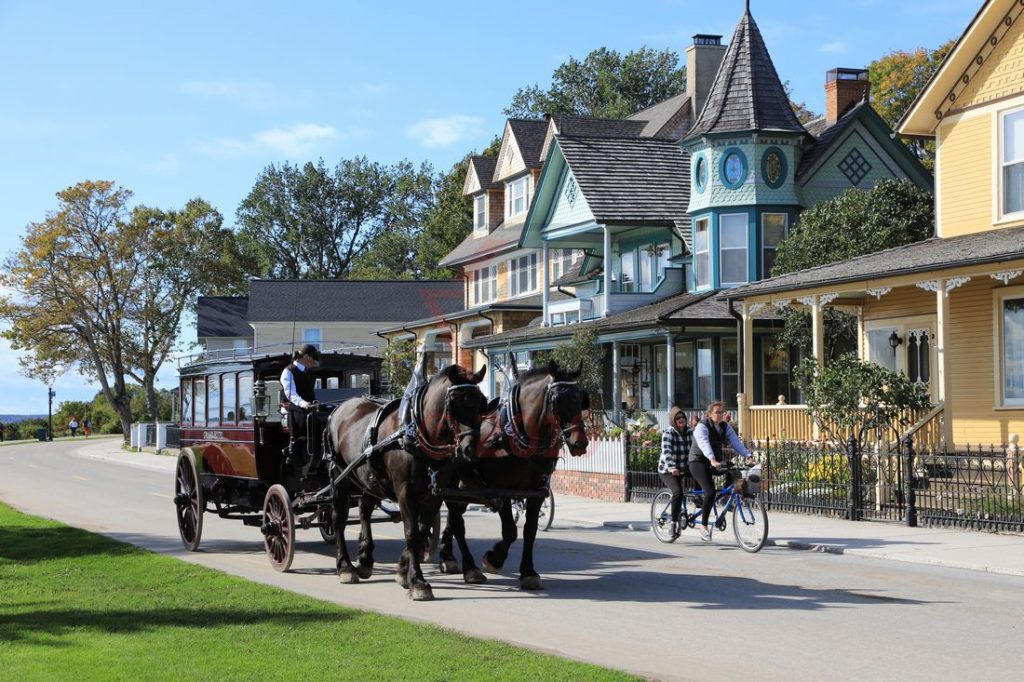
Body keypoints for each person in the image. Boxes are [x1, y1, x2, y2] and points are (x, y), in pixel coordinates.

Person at [688, 401, 751, 542]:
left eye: (722, 412)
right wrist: (711, 459)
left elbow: (735, 442)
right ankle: (703, 526)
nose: (721, 414)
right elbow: (703, 443)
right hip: (698, 462)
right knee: (710, 491)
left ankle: (726, 497)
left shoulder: (724, 427)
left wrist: (749, 456)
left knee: (734, 470)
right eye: (717, 412)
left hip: (713, 461)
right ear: (709, 414)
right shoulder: (701, 426)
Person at [658, 406, 698, 537]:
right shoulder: (668, 433)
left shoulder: (690, 432)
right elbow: (667, 452)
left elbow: (697, 448)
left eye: (683, 417)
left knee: (701, 476)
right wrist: (671, 467)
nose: (681, 420)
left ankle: (698, 500)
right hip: (668, 470)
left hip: (684, 467)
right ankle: (673, 523)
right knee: (678, 492)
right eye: (678, 418)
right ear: (673, 420)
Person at [280, 344, 320, 456]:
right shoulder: (288, 371)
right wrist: (303, 403)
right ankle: (295, 449)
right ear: (307, 357)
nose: (314, 363)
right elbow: (290, 393)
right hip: (294, 407)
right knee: (303, 418)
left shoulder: (309, 372)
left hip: (310, 406)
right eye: (313, 359)